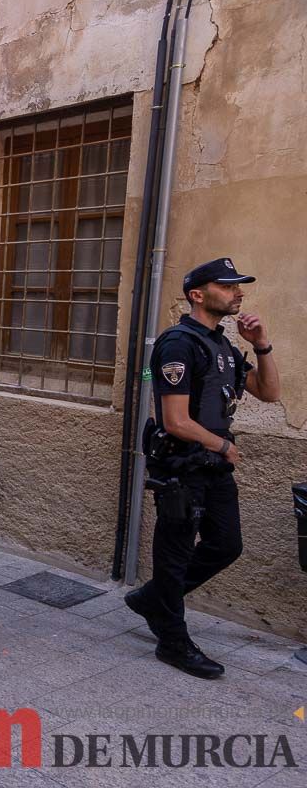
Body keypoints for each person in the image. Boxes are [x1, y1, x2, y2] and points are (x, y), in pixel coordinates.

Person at [125, 258, 280, 679]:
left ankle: (153, 599)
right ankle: (172, 641)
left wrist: (261, 344)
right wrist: (224, 445)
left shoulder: (223, 346)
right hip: (181, 465)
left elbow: (269, 392)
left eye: (237, 286)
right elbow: (175, 420)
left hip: (213, 466)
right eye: (227, 286)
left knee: (226, 545)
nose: (238, 292)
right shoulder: (178, 344)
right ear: (198, 294)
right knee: (174, 554)